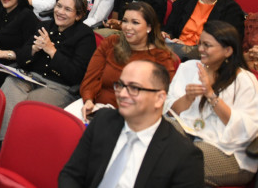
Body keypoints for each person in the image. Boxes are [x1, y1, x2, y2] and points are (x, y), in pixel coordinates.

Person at [59, 60, 204, 188]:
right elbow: (71, 174)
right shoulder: (103, 120)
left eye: (134, 88)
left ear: (159, 98)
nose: (122, 94)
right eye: (121, 85)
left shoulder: (183, 155)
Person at [166, 21, 258, 186]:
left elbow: (246, 130)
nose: (200, 49)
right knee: (157, 138)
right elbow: (170, 112)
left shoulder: (245, 81)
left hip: (228, 151)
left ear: (228, 50)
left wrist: (211, 95)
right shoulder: (188, 68)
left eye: (207, 45)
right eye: (200, 43)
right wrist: (187, 99)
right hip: (189, 135)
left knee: (182, 164)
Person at [0, 0, 96, 137]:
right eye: (58, 6)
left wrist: (52, 51)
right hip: (30, 77)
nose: (60, 12)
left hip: (59, 87)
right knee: (9, 88)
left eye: (67, 9)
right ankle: (2, 143)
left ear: (78, 15)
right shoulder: (45, 26)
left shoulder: (85, 36)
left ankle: (14, 145)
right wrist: (33, 49)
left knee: (28, 106)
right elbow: (21, 58)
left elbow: (76, 75)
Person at [69, 2, 175, 120]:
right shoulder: (111, 43)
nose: (128, 27)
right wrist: (88, 100)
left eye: (135, 22)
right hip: (94, 106)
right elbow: (91, 78)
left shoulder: (161, 57)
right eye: (125, 21)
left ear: (149, 27)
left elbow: (159, 98)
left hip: (132, 118)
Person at [163, 0, 245, 60]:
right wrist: (167, 36)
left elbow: (230, 44)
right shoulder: (184, 2)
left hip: (207, 57)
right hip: (176, 51)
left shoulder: (232, 9)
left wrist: (188, 49)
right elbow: (169, 29)